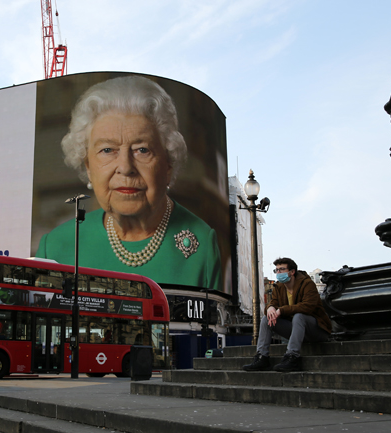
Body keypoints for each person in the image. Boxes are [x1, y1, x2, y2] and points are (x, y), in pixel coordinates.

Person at [36, 75, 221, 291]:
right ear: (88, 166)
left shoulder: (202, 246)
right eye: (107, 150)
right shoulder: (56, 247)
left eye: (142, 150)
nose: (125, 167)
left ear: (168, 163)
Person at [242, 257, 332, 372]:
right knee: (266, 319)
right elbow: (273, 303)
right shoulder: (278, 287)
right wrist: (270, 308)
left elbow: (308, 306)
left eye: (282, 269)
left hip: (317, 330)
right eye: (277, 270)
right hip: (297, 330)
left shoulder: (307, 284)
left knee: (299, 316)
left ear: (292, 272)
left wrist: (282, 310)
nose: (278, 273)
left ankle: (292, 357)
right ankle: (262, 357)